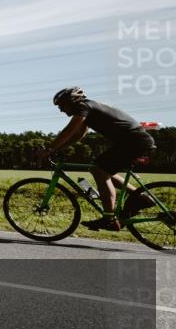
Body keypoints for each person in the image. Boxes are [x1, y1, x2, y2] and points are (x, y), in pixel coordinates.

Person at [36, 87, 156, 231]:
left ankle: (109, 218)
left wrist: (49, 149)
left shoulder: (83, 107)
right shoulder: (89, 108)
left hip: (133, 141)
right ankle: (140, 197)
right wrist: (56, 149)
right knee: (103, 170)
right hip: (135, 141)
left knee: (98, 170)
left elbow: (69, 130)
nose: (61, 110)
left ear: (72, 101)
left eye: (62, 105)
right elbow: (78, 135)